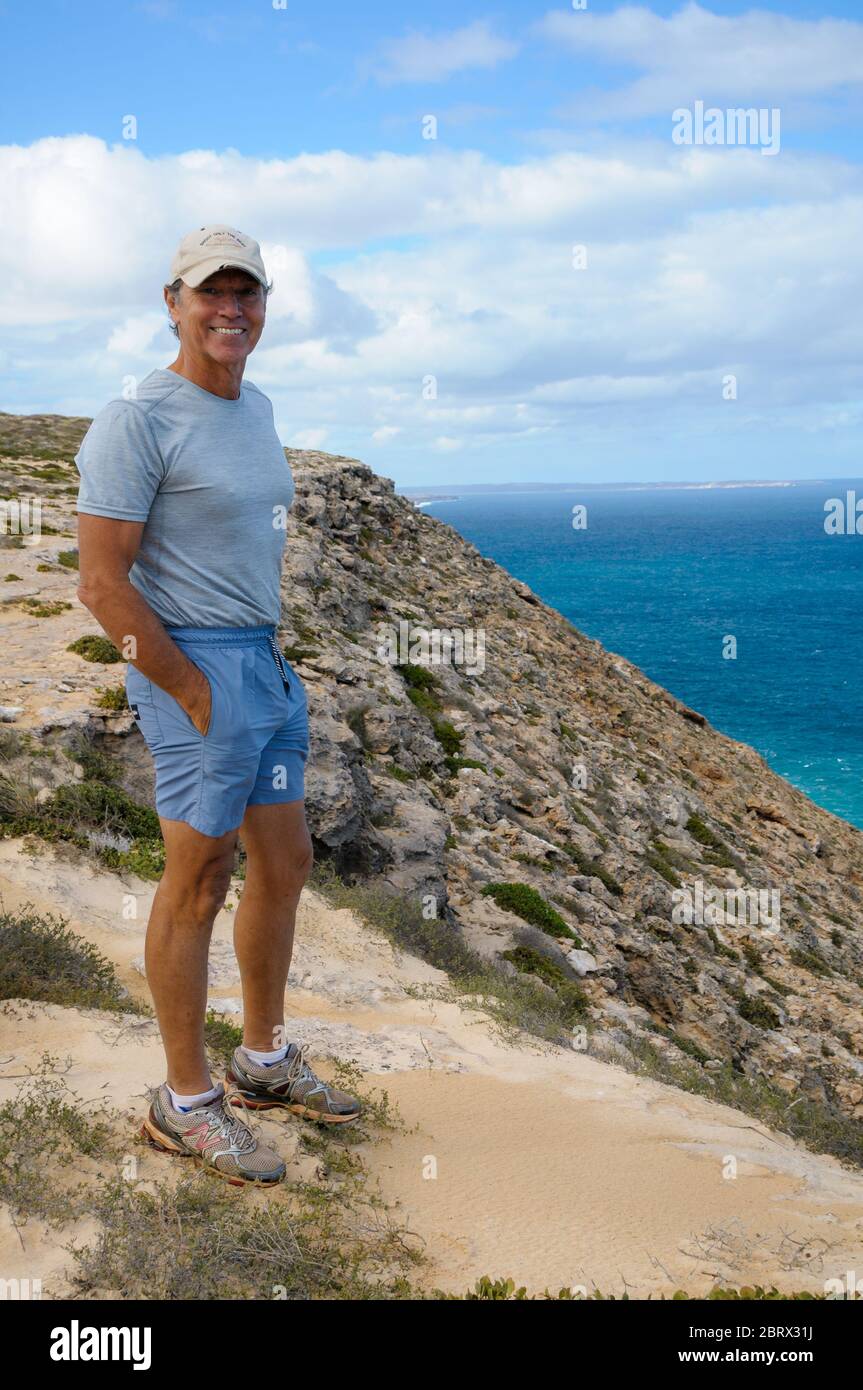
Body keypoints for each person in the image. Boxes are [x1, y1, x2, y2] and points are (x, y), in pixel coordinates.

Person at [75, 224, 361, 1187]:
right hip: (191, 669)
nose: (231, 310)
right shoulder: (137, 418)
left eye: (248, 295)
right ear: (173, 302)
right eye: (212, 293)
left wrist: (251, 675)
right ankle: (185, 1103)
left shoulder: (255, 405)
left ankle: (264, 1062)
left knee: (284, 862)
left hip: (265, 668)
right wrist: (190, 688)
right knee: (195, 881)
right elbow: (101, 585)